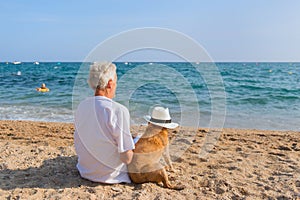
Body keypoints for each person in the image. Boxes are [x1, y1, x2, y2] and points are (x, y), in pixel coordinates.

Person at [74, 61, 135, 184]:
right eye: (116, 82)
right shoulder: (118, 110)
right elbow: (126, 158)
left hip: (86, 170)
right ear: (110, 84)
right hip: (110, 176)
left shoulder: (82, 106)